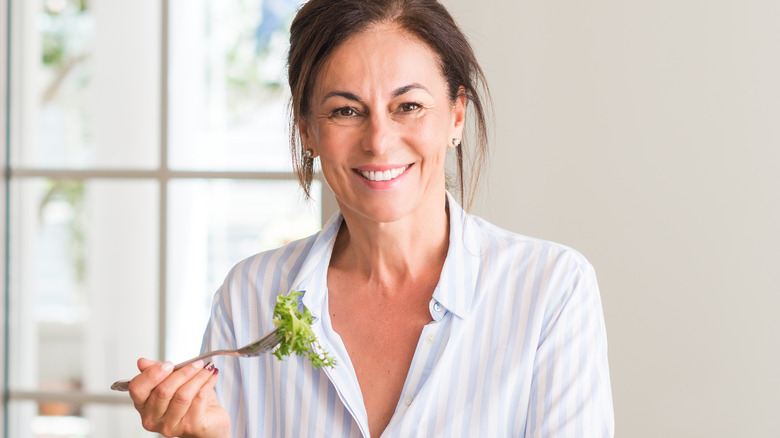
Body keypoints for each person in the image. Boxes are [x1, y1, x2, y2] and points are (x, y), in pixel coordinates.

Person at [127, 0, 615, 436]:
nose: (379, 141)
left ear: (456, 117)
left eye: (409, 106)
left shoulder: (551, 289)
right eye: (345, 111)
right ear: (308, 132)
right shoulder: (249, 295)